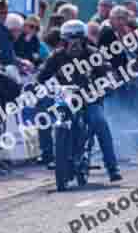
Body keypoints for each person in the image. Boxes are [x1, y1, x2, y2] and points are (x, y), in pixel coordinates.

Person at [35, 20, 122, 182]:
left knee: (99, 121)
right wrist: (35, 86)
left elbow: (107, 73)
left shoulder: (94, 54)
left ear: (83, 39)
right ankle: (47, 153)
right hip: (65, 99)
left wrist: (109, 83)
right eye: (69, 39)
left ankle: (112, 166)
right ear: (63, 40)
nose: (74, 44)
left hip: (90, 98)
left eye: (77, 39)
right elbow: (41, 75)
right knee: (43, 114)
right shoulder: (56, 56)